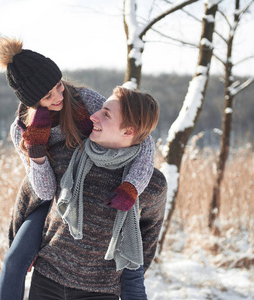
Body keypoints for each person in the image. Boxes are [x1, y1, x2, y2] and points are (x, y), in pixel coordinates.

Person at [0, 36, 156, 299]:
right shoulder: (21, 130)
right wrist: (37, 155)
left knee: (129, 270)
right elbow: (44, 192)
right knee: (14, 261)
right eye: (48, 95)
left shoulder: (84, 101)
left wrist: (132, 185)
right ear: (33, 100)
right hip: (51, 198)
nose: (59, 95)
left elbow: (141, 139)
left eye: (59, 85)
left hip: (89, 182)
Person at [26, 86, 167, 298]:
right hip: (47, 279)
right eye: (101, 109)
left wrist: (118, 279)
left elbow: (148, 236)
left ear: (128, 131)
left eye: (106, 114)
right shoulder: (66, 154)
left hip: (100, 291)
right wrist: (21, 250)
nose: (93, 116)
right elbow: (27, 201)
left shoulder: (152, 184)